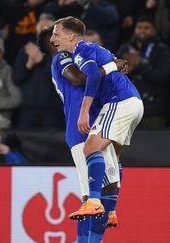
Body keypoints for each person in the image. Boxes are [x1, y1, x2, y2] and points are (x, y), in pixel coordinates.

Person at [51, 17, 143, 227]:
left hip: (119, 102)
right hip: (133, 101)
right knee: (113, 156)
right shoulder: (90, 49)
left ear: (71, 36)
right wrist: (113, 65)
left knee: (90, 147)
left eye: (57, 34)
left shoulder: (81, 50)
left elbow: (91, 75)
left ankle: (93, 201)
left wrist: (83, 113)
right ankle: (111, 212)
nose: (53, 38)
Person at [39, 26, 127, 242]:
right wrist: (111, 65)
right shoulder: (61, 56)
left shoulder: (75, 55)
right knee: (94, 194)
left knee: (102, 190)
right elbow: (79, 79)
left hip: (94, 125)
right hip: (82, 129)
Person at [117, 16, 170, 128]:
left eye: (147, 28)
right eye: (139, 27)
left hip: (153, 110)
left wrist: (140, 66)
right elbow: (116, 77)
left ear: (154, 31)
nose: (142, 30)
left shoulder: (161, 50)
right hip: (128, 109)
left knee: (155, 144)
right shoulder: (125, 49)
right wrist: (129, 70)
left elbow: (164, 77)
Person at [12, 13, 64, 129]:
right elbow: (16, 79)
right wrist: (29, 65)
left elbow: (61, 81)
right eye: (41, 28)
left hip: (52, 112)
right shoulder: (26, 50)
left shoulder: (62, 53)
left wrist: (43, 61)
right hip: (27, 110)